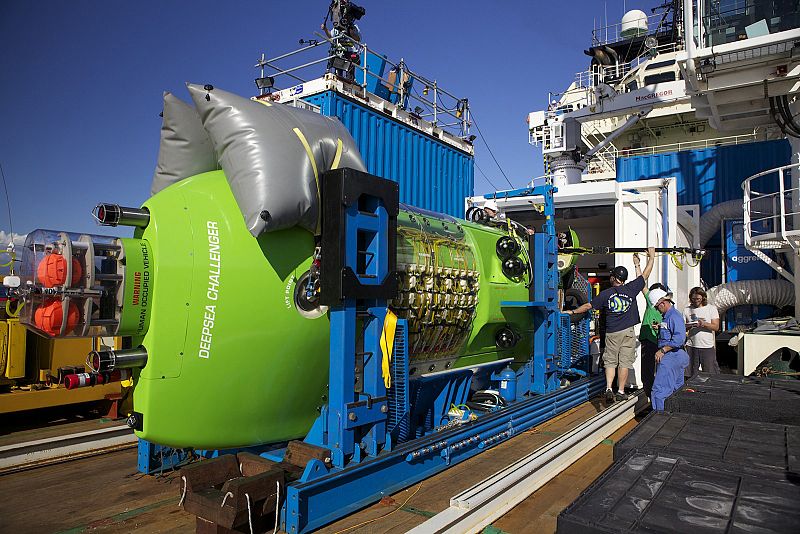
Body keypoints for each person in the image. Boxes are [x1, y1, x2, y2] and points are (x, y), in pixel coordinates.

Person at [567, 248, 655, 403]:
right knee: (624, 363)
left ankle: (608, 388)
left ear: (614, 278)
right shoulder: (631, 289)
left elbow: (588, 306)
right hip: (628, 332)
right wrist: (650, 257)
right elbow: (645, 275)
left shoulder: (606, 294)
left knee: (610, 361)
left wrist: (572, 312)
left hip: (612, 332)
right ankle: (621, 391)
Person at [649, 288, 690, 410]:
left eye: (657, 307)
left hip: (671, 357)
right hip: (677, 357)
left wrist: (662, 350)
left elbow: (679, 339)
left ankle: (658, 418)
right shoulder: (669, 316)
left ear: (662, 303)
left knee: (659, 391)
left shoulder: (673, 316)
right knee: (676, 390)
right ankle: (676, 415)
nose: (656, 309)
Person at [636, 248, 667, 399]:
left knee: (656, 371)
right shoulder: (652, 303)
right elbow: (641, 283)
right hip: (650, 342)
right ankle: (651, 397)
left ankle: (657, 397)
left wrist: (651, 258)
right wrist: (638, 265)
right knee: (648, 372)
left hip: (661, 343)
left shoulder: (667, 310)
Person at [683, 286, 720, 376]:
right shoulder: (687, 310)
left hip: (707, 346)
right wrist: (691, 325)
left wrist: (704, 324)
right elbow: (682, 327)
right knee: (690, 373)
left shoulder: (711, 309)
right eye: (693, 299)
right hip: (691, 345)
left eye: (698, 298)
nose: (696, 301)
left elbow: (716, 327)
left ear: (703, 297)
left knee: (710, 373)